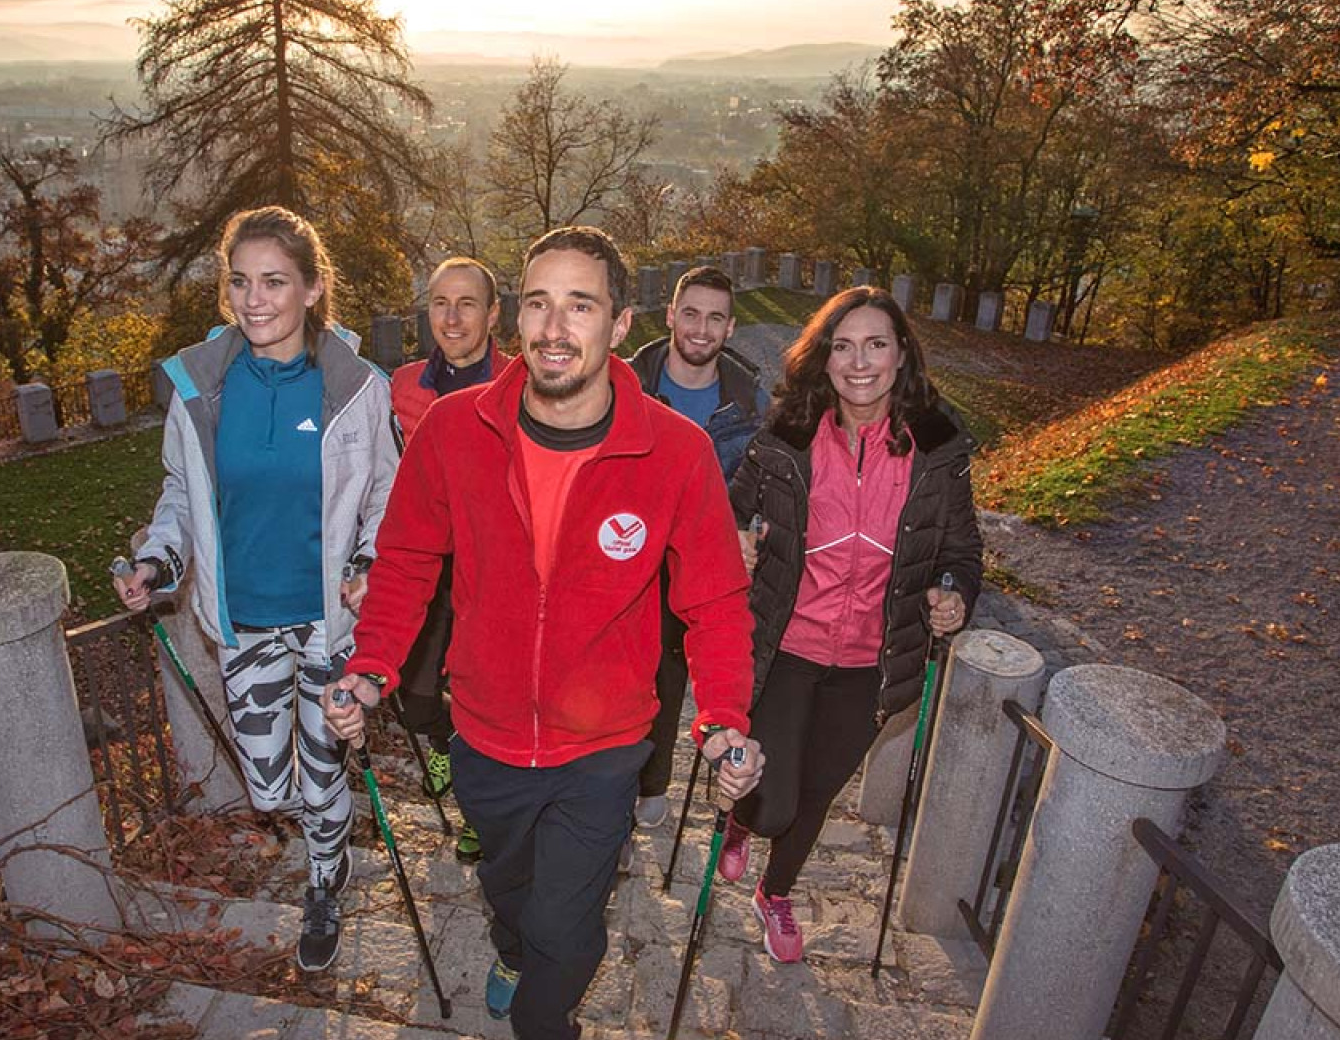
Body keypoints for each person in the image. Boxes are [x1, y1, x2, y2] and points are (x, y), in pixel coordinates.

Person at [326, 226, 765, 1040]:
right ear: (516, 318)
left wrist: (724, 717)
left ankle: (543, 1008)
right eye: (538, 302)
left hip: (602, 750)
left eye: (580, 305)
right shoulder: (456, 432)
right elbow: (407, 562)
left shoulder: (677, 451)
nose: (554, 327)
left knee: (563, 932)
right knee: (508, 887)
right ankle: (507, 941)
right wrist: (371, 665)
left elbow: (715, 603)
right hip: (485, 736)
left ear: (622, 324)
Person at [114, 206, 398, 973]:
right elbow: (181, 495)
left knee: (323, 762)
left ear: (312, 289)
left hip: (326, 625)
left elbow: (386, 499)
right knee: (272, 787)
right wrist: (157, 564)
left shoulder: (356, 390)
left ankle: (323, 880)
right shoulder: (201, 386)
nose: (254, 298)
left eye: (274, 281)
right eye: (240, 281)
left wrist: (369, 565)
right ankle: (317, 833)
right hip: (242, 621)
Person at [719, 285, 981, 964]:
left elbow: (960, 549)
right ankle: (743, 819)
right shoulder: (787, 436)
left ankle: (775, 893)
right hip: (787, 646)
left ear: (901, 357)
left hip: (875, 659)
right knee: (773, 803)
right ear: (824, 358)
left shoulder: (939, 448)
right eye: (843, 345)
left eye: (876, 344)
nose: (859, 361)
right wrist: (737, 540)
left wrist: (953, 592)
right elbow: (727, 514)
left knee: (815, 795)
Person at [624, 265, 767, 833]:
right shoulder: (628, 384)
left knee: (669, 683)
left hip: (697, 567)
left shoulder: (749, 402)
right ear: (670, 316)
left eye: (714, 317)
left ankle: (649, 787)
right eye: (691, 313)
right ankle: (612, 800)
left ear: (730, 327)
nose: (700, 328)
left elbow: (761, 489)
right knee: (623, 680)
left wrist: (751, 532)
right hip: (629, 559)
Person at [388, 256, 512, 864]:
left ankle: (478, 815)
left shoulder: (519, 381)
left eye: (467, 304)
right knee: (414, 700)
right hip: (426, 567)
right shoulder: (403, 386)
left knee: (481, 701)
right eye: (440, 303)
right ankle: (440, 739)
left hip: (495, 572)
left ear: (493, 315)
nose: (453, 317)